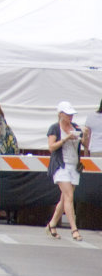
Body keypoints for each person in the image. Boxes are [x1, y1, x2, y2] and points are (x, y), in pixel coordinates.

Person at [46, 101, 89, 241]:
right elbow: (51, 147)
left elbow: (86, 146)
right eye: (68, 114)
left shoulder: (76, 127)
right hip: (60, 165)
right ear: (60, 115)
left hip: (74, 165)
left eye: (72, 115)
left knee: (64, 198)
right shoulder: (54, 128)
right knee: (69, 196)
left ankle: (52, 224)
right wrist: (65, 139)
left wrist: (85, 136)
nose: (70, 117)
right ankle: (74, 229)